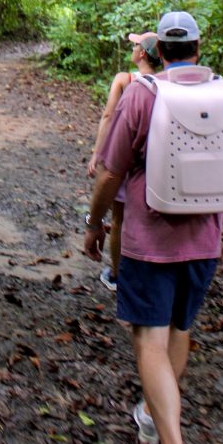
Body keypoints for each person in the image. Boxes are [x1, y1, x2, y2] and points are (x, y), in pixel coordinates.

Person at [83, 11, 223, 444]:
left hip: (148, 244)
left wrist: (94, 223)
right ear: (199, 48)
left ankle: (171, 440)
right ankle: (150, 415)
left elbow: (109, 173)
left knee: (149, 339)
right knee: (180, 330)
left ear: (159, 51)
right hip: (203, 243)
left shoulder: (142, 94)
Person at [88, 32, 161, 292]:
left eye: (136, 45)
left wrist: (98, 151)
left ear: (142, 54)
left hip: (126, 158)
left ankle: (118, 275)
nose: (132, 47)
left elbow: (108, 116)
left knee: (119, 219)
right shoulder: (166, 83)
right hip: (154, 163)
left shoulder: (125, 79)